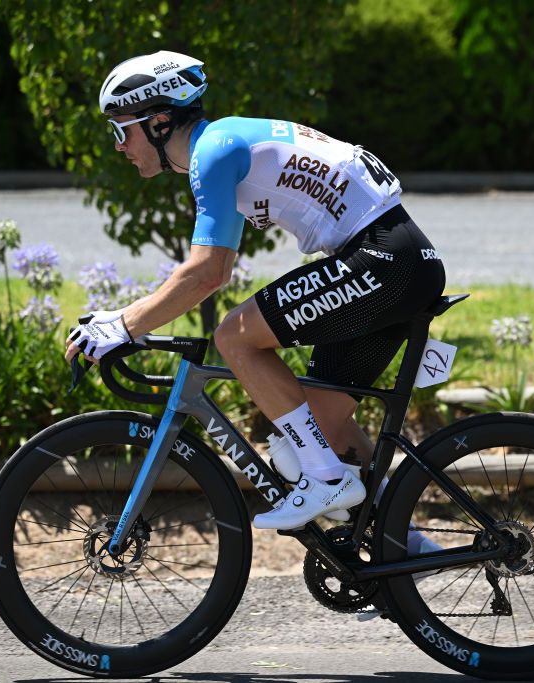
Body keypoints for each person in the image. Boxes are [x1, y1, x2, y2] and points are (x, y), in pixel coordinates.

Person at [65, 51, 445, 542]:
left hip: (384, 258)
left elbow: (208, 273)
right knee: (315, 434)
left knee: (235, 338)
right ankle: (404, 555)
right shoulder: (222, 143)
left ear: (159, 122)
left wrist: (121, 325)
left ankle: (327, 480)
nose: (118, 146)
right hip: (402, 259)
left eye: (121, 130)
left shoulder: (214, 151)